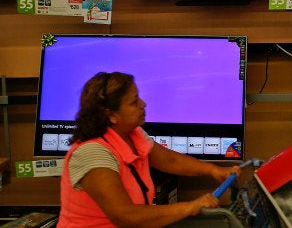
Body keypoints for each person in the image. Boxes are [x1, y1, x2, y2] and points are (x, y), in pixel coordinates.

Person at [58, 72, 241, 227]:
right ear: (111, 114)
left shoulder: (132, 133)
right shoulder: (91, 153)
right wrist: (191, 207)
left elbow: (169, 160)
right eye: (134, 101)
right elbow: (125, 215)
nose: (143, 104)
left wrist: (213, 170)